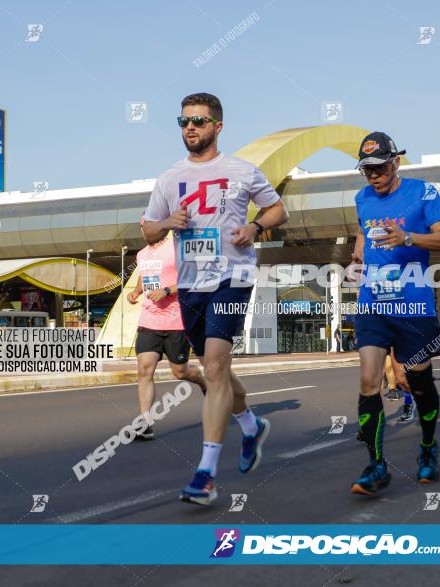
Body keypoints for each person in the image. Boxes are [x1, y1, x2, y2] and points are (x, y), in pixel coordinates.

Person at [143, 92, 289, 506]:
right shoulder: (168, 177)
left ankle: (205, 474)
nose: (191, 127)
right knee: (211, 370)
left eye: (199, 121)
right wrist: (167, 222)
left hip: (232, 277)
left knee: (217, 364)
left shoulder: (242, 170)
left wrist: (256, 228)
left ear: (217, 126)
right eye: (184, 121)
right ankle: (250, 424)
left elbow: (279, 210)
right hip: (191, 283)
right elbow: (148, 231)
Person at [347, 131, 440, 495]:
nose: (373, 176)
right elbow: (363, 233)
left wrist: (408, 238)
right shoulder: (362, 198)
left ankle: (427, 447)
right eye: (367, 170)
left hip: (414, 303)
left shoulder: (424, 192)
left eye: (379, 168)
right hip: (373, 302)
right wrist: (358, 254)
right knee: (368, 380)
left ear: (395, 162)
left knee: (418, 382)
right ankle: (376, 465)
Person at [127, 227, 207, 440]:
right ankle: (145, 423)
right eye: (142, 226)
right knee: (145, 369)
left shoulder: (177, 248)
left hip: (177, 321)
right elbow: (146, 277)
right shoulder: (142, 254)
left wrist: (167, 290)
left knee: (180, 372)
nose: (144, 229)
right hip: (149, 319)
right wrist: (136, 291)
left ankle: (203, 382)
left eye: (147, 224)